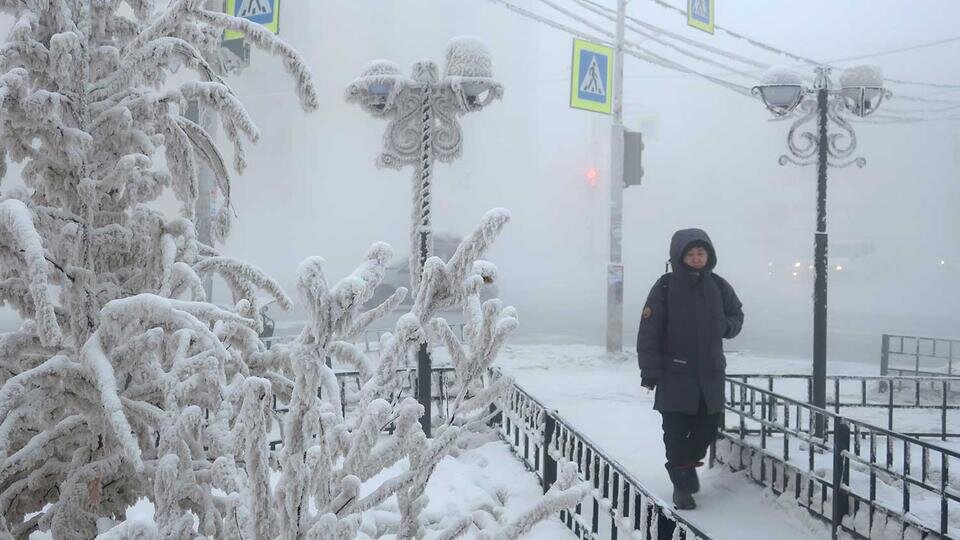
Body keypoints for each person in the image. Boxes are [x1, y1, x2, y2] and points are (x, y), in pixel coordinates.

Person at [636, 228, 744, 510]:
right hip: (675, 374)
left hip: (710, 375)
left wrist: (726, 326)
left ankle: (682, 467)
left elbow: (737, 315)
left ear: (709, 255)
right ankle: (681, 484)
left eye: (701, 253)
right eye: (690, 254)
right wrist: (650, 371)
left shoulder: (719, 286)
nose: (696, 258)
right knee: (675, 430)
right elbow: (649, 331)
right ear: (679, 257)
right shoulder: (665, 286)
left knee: (707, 429)